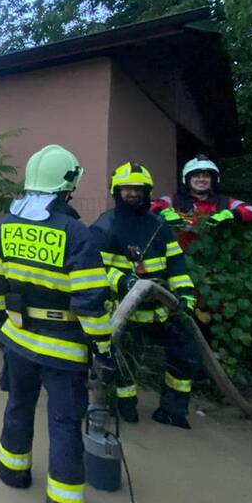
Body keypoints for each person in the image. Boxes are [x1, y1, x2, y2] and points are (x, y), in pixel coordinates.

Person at [0, 145, 114, 503]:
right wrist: (103, 348)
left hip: (18, 341)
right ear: (68, 185)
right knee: (63, 426)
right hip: (63, 350)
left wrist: (4, 324)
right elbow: (91, 303)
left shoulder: (5, 225)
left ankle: (12, 474)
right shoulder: (78, 234)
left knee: (18, 407)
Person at [91, 162, 202, 429]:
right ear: (117, 191)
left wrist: (185, 297)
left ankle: (173, 410)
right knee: (120, 359)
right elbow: (96, 269)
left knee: (186, 351)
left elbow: (176, 266)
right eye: (127, 188)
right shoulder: (105, 227)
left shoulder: (159, 227)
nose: (132, 193)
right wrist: (123, 282)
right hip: (122, 310)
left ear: (147, 192)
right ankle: (124, 406)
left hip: (160, 309)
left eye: (138, 189)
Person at [150, 154, 252, 251]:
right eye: (196, 176)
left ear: (213, 180)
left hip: (215, 259)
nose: (201, 179)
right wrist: (163, 212)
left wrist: (232, 214)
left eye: (206, 176)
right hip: (179, 258)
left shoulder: (224, 201)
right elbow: (149, 206)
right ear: (187, 179)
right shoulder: (174, 200)